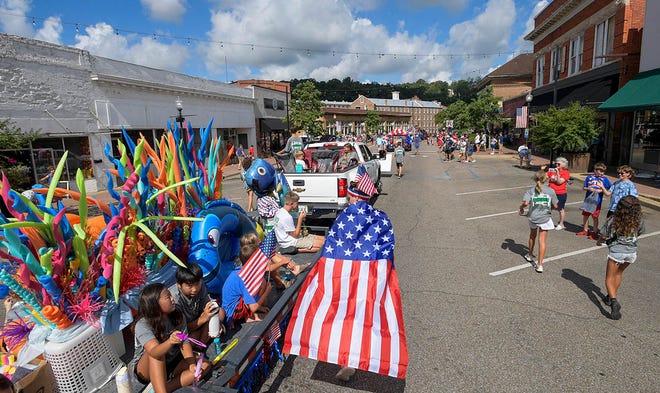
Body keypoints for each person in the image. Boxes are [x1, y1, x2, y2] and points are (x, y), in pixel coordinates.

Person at [134, 283, 210, 393]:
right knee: (158, 353)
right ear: (155, 304)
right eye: (167, 297)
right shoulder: (142, 324)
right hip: (147, 369)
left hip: (172, 361)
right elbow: (154, 352)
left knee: (204, 366)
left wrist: (192, 365)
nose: (172, 299)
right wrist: (170, 341)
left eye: (171, 295)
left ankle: (163, 388)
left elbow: (184, 342)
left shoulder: (177, 314)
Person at [596, 196, 644, 320]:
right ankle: (609, 296)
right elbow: (640, 232)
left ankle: (614, 301)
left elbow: (603, 234)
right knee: (619, 273)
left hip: (617, 252)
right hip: (631, 253)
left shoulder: (613, 219)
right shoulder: (638, 220)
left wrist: (600, 241)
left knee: (609, 278)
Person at [221, 235, 273, 326]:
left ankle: (252, 313)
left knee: (261, 283)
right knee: (261, 285)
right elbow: (253, 308)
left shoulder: (242, 270)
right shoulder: (244, 276)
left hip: (233, 305)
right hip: (232, 312)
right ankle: (250, 316)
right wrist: (267, 292)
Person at [171, 263, 225, 344]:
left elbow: (207, 306)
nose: (195, 289)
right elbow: (182, 330)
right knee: (192, 337)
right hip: (183, 331)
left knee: (220, 311)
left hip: (198, 321)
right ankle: (202, 343)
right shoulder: (175, 301)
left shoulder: (201, 285)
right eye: (190, 286)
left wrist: (216, 323)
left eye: (197, 284)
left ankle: (204, 341)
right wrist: (204, 318)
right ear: (179, 285)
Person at [519, 171, 559, 273]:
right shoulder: (550, 191)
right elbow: (556, 206)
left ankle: (530, 254)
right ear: (546, 180)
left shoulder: (530, 191)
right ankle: (540, 264)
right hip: (545, 218)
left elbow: (526, 203)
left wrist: (521, 208)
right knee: (542, 241)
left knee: (532, 236)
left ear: (535, 179)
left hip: (533, 217)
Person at [577, 162, 611, 239]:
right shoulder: (589, 177)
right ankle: (585, 230)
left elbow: (609, 188)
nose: (602, 173)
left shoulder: (605, 179)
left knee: (595, 217)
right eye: (600, 171)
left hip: (597, 201)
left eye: (603, 172)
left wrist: (601, 190)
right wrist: (589, 188)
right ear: (595, 170)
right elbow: (584, 187)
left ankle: (595, 232)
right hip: (588, 200)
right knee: (585, 215)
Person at [546, 157, 570, 230]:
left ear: (564, 164)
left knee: (560, 208)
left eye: (558, 163)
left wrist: (558, 173)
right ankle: (547, 222)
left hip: (560, 193)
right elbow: (543, 177)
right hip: (550, 192)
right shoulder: (552, 171)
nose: (556, 164)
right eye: (555, 163)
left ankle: (561, 224)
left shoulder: (566, 172)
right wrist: (543, 170)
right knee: (548, 207)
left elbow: (559, 182)